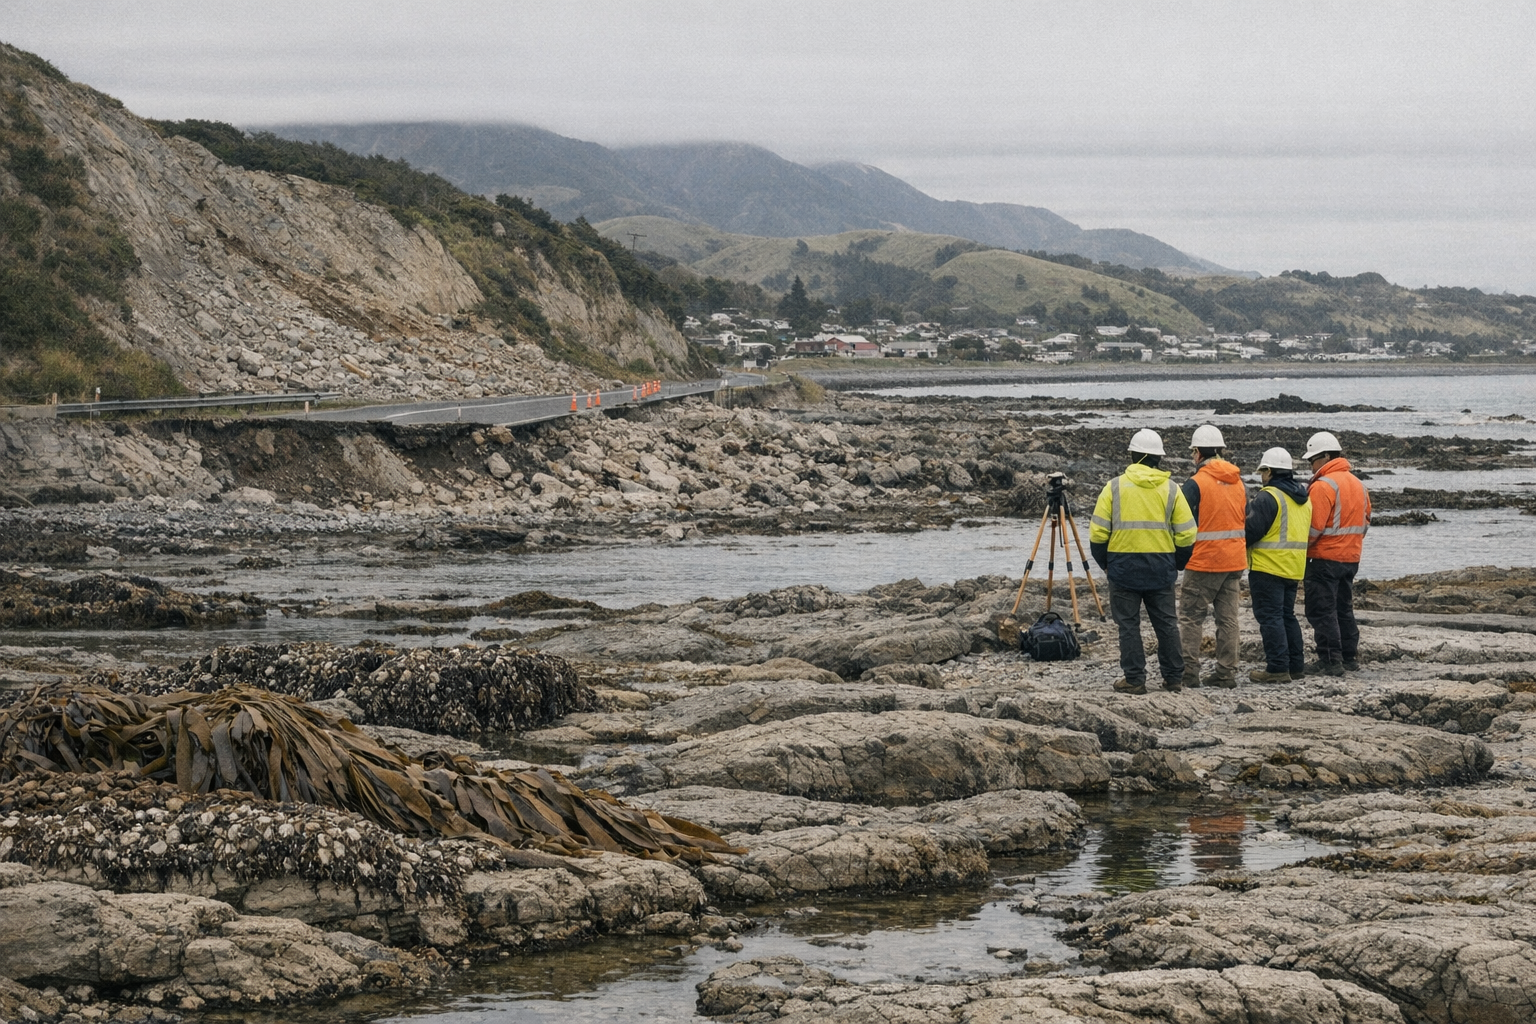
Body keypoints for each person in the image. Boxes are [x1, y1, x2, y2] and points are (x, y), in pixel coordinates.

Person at [1090, 428, 1197, 695]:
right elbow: (1187, 534)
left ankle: (1135, 679)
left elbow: (1098, 533)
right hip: (1161, 567)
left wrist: (1106, 564)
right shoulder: (1172, 490)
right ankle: (1173, 678)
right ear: (1158, 458)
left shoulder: (1114, 487)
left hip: (1123, 567)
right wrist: (1177, 563)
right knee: (1167, 624)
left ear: (1133, 455)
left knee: (1128, 625)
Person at [1176, 425, 1246, 689]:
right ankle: (1226, 673)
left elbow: (1181, 522)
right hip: (1234, 560)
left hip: (1204, 560)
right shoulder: (1238, 482)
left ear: (1197, 452)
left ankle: (1188, 672)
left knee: (1191, 616)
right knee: (1228, 619)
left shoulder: (1195, 483)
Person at [1301, 431, 1371, 676]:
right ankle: (1349, 657)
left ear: (1326, 457)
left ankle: (1330, 660)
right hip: (1351, 558)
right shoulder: (1359, 485)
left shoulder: (1323, 486)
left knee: (1322, 610)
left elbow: (1313, 528)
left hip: (1324, 559)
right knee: (1343, 608)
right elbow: (1365, 523)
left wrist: (1302, 549)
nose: (1311, 466)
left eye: (1312, 460)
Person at [1245, 447, 1312, 683]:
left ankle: (1277, 668)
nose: (1262, 477)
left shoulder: (1268, 497)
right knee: (1287, 616)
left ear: (1270, 471)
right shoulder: (1303, 498)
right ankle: (1296, 666)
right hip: (1294, 567)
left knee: (1270, 617)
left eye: (1263, 471)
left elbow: (1250, 531)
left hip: (1268, 567)